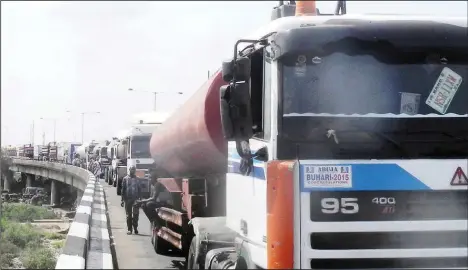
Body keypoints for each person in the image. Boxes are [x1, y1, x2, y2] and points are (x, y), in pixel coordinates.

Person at [121, 166, 141, 235]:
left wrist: (140, 199)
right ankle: (129, 229)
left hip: (136, 199)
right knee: (128, 215)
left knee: (136, 215)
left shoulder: (138, 179)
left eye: (134, 169)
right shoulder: (125, 179)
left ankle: (135, 228)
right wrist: (122, 200)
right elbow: (123, 190)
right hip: (127, 199)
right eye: (131, 169)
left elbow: (139, 189)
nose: (133, 171)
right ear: (129, 170)